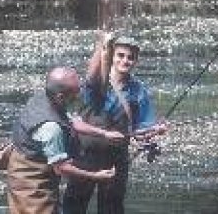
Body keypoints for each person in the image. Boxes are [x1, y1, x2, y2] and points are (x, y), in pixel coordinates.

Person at [63, 33, 167, 214]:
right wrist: (102, 44)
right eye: (120, 55)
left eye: (130, 57)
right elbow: (92, 74)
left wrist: (154, 132)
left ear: (136, 61)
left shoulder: (139, 91)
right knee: (74, 207)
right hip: (84, 155)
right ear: (111, 56)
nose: (125, 61)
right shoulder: (94, 83)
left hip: (116, 158)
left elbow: (141, 129)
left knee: (112, 209)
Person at [7, 66, 125, 214]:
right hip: (31, 182)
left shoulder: (44, 97)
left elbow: (72, 122)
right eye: (75, 92)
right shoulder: (51, 129)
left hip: (22, 166)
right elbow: (61, 168)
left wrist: (104, 134)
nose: (80, 95)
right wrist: (95, 176)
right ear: (60, 96)